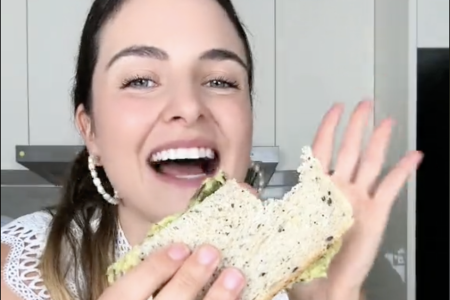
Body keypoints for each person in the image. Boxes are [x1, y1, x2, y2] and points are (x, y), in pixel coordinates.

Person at [0, 0, 422, 299]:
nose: (188, 106)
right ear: (90, 131)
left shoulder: (294, 284)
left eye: (221, 81)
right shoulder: (17, 273)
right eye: (140, 80)